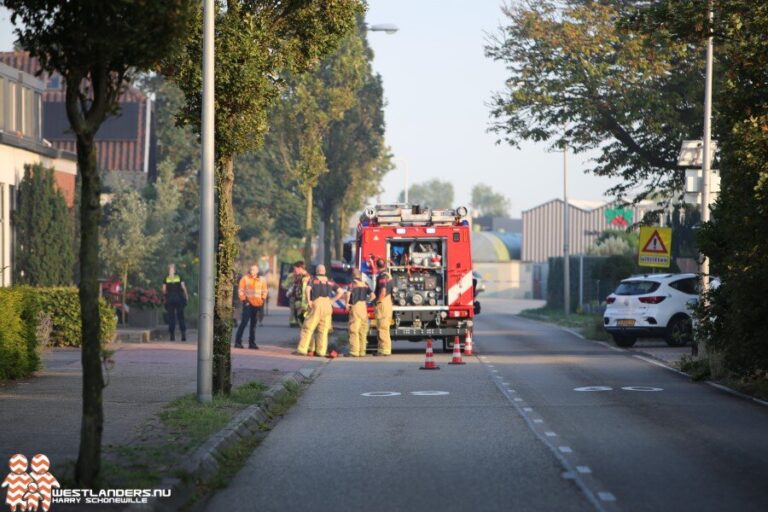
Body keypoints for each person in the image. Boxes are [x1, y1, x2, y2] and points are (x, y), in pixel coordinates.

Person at [294, 264, 343, 357]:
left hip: (316, 304)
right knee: (323, 331)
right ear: (324, 271)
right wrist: (332, 301)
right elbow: (341, 291)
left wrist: (309, 301)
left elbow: (308, 289)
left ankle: (302, 349)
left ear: (317, 271)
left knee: (308, 327)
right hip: (327, 305)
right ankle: (321, 352)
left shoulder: (313, 280)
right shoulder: (330, 281)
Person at [235, 265, 268, 349]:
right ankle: (238, 342)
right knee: (244, 323)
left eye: (253, 270)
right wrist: (244, 301)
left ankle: (252, 343)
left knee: (253, 325)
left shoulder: (262, 280)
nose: (251, 271)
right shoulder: (245, 279)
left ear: (257, 271)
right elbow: (241, 290)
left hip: (257, 305)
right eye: (251, 269)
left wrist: (262, 301)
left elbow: (264, 291)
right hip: (248, 304)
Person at [345, 269, 374, 357]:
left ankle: (354, 351)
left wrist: (347, 303)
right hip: (363, 307)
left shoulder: (352, 284)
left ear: (353, 275)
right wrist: (367, 301)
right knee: (363, 330)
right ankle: (362, 351)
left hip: (355, 307)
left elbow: (348, 293)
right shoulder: (365, 284)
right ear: (360, 275)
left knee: (354, 329)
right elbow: (373, 296)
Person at [162, 263, 188, 341]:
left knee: (171, 317)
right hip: (179, 298)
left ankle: (172, 335)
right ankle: (183, 335)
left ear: (168, 270)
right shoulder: (179, 277)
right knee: (181, 316)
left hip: (170, 299)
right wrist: (186, 296)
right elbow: (183, 287)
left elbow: (163, 290)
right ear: (174, 270)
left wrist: (164, 297)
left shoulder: (166, 278)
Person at [374, 258, 394, 356]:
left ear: (377, 266)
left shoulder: (382, 276)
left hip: (383, 302)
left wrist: (378, 301)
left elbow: (383, 291)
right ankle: (383, 349)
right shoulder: (388, 274)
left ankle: (384, 350)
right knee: (385, 327)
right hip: (388, 301)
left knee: (382, 327)